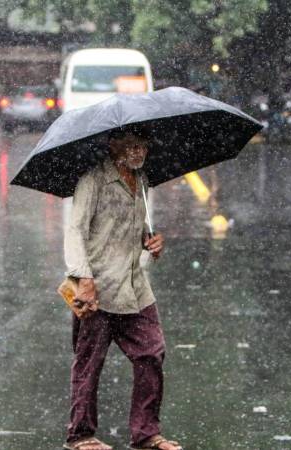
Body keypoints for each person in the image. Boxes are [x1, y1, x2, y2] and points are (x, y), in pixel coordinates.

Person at [63, 130, 182, 450]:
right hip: (98, 287)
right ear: (112, 144)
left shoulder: (142, 181)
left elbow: (133, 227)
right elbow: (75, 231)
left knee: (152, 353)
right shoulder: (93, 180)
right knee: (89, 363)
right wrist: (83, 278)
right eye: (130, 145)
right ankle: (81, 435)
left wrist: (150, 240)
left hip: (134, 287)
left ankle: (146, 434)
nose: (138, 151)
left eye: (142, 145)